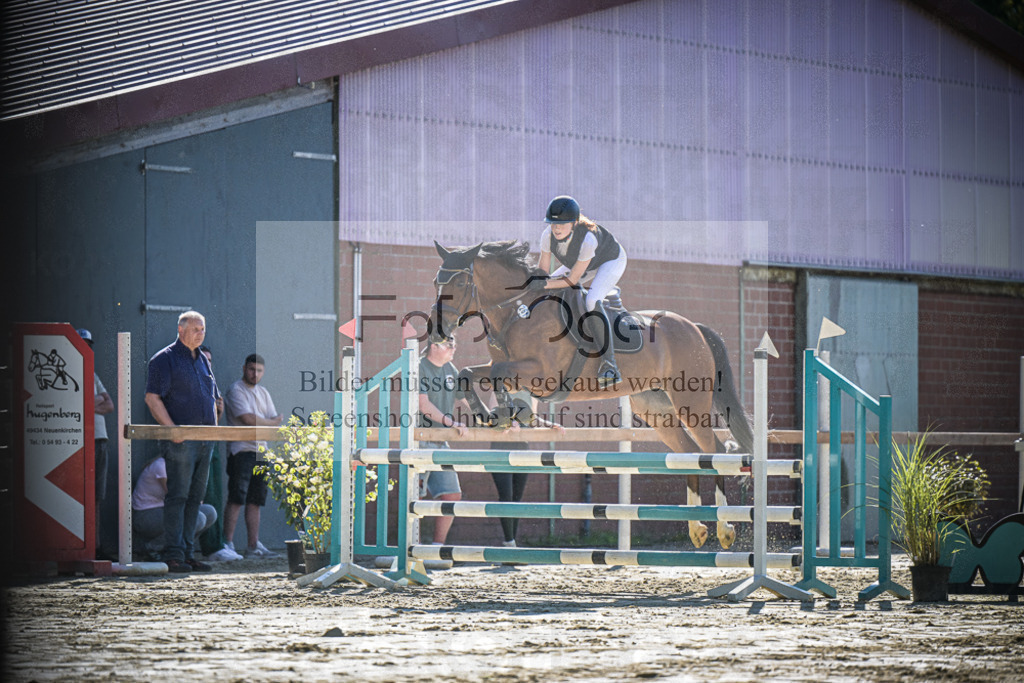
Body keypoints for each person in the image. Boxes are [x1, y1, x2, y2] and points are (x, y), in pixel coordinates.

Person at [144, 310, 218, 573]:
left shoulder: (203, 361)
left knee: (195, 498)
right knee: (178, 496)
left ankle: (187, 554)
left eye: (203, 329)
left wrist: (214, 430)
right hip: (181, 441)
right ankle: (173, 554)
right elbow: (152, 398)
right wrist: (173, 430)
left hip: (205, 441)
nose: (201, 333)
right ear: (180, 330)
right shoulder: (164, 359)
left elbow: (213, 398)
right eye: (196, 329)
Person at [534, 195, 627, 386]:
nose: (556, 228)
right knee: (545, 287)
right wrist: (537, 283)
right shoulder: (547, 235)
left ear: (574, 223)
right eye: (553, 223)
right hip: (584, 263)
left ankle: (610, 364)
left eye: (562, 224)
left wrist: (543, 284)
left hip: (611, 261)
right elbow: (543, 271)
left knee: (592, 301)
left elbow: (572, 280)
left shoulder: (588, 239)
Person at [223, 353, 283, 559]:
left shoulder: (264, 392)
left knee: (256, 500)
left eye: (258, 370)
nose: (254, 374)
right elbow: (248, 419)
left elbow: (276, 418)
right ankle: (228, 544)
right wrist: (270, 423)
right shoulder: (235, 390)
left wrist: (269, 422)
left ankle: (253, 545)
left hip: (261, 452)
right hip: (241, 450)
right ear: (243, 368)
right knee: (236, 497)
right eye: (251, 369)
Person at [418, 338, 470, 550]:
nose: (454, 349)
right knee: (415, 498)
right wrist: (451, 422)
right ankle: (414, 548)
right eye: (449, 345)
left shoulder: (450, 368)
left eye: (455, 345)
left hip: (441, 441)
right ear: (434, 347)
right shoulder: (419, 367)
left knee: (451, 494)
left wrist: (488, 418)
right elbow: (423, 404)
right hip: (420, 440)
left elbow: (466, 398)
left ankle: (436, 548)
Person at [198, 345, 243, 563]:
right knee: (200, 495)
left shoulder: (211, 383)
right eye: (202, 359)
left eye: (210, 360)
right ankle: (209, 546)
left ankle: (218, 543)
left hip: (212, 440)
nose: (207, 364)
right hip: (194, 442)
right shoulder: (188, 380)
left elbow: (216, 415)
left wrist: (219, 411)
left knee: (216, 493)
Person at [132, 456, 217, 559]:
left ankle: (182, 549)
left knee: (210, 512)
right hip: (146, 515)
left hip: (168, 510)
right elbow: (176, 495)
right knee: (198, 518)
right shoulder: (161, 464)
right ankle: (151, 548)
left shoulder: (185, 465)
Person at [77, 328, 114, 554]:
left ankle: (95, 545)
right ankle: (82, 544)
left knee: (97, 496)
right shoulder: (66, 373)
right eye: (82, 344)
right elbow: (74, 408)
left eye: (89, 346)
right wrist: (95, 402)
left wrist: (89, 404)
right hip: (80, 440)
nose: (86, 349)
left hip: (100, 440)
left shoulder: (92, 374)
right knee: (81, 494)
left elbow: (109, 405)